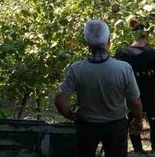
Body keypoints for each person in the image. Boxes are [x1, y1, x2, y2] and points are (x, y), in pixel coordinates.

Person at [54, 19, 144, 157]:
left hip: (86, 125)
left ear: (88, 43)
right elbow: (135, 101)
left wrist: (71, 115)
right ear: (109, 40)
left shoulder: (77, 69)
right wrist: (138, 121)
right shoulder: (123, 68)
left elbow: (60, 99)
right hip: (116, 125)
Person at [115, 20, 155, 154]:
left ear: (134, 35)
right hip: (151, 95)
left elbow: (114, 74)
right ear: (146, 35)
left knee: (133, 120)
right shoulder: (153, 53)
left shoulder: (122, 53)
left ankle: (138, 150)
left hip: (130, 96)